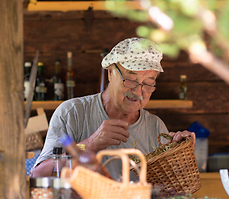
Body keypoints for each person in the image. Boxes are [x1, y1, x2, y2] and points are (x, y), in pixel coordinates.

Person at [31, 37, 195, 180]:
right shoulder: (72, 113)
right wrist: (91, 144)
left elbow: (170, 189)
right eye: (130, 80)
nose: (138, 91)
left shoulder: (155, 127)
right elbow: (39, 174)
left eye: (148, 84)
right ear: (110, 73)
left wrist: (181, 154)